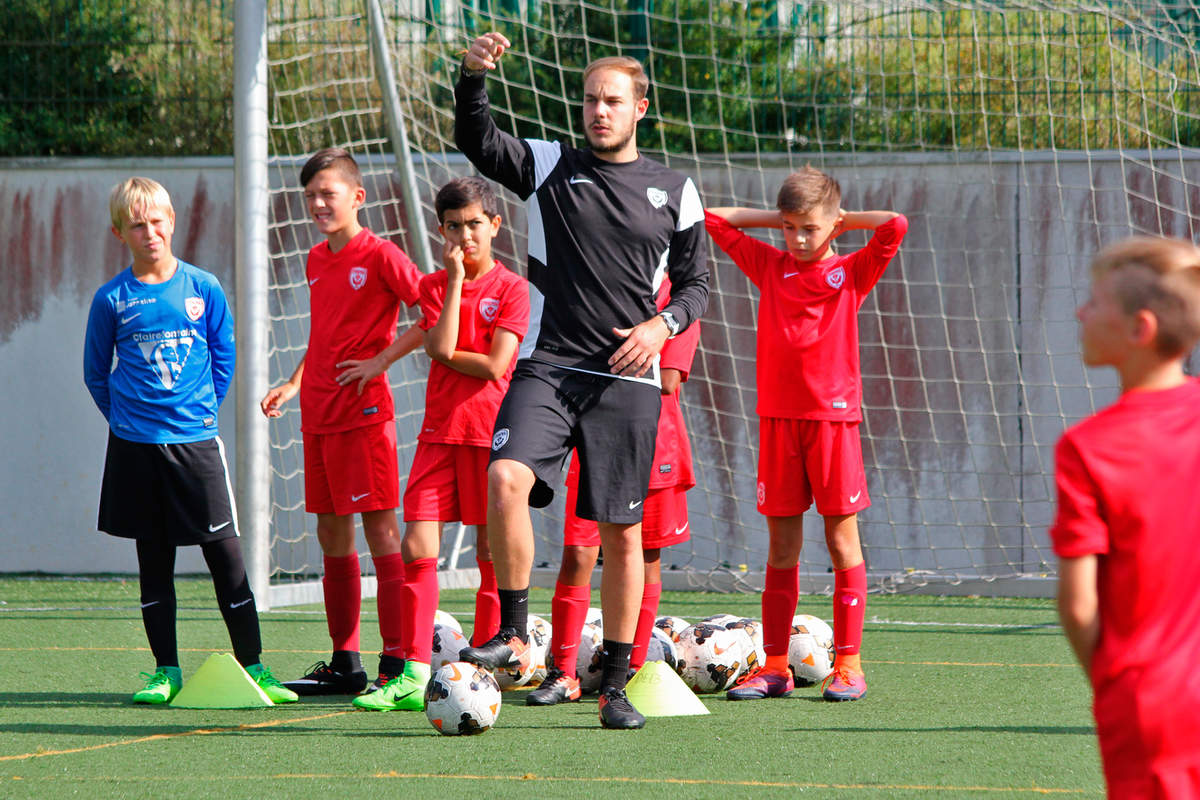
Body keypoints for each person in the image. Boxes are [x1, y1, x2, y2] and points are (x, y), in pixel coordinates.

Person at [452, 33, 709, 729]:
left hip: (629, 381)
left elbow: (696, 283)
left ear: (640, 109)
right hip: (550, 366)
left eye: (613, 101)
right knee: (505, 478)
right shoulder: (546, 165)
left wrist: (662, 328)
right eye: (592, 99)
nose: (599, 110)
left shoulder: (676, 189)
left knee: (619, 535)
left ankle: (616, 686)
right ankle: (513, 630)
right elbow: (478, 139)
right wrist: (473, 76)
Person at [84, 177, 297, 705]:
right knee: (153, 563)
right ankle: (166, 672)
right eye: (137, 224)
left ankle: (256, 668)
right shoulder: (111, 299)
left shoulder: (204, 288)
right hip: (135, 449)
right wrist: (129, 422)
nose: (149, 232)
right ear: (120, 232)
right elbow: (95, 373)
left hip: (196, 445)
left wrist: (198, 413)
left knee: (226, 559)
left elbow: (222, 361)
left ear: (172, 222)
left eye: (157, 221)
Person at [705, 165, 906, 702]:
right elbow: (712, 219)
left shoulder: (851, 272)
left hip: (833, 424)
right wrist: (782, 217)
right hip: (777, 423)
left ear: (832, 227)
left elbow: (895, 226)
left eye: (808, 228)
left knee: (842, 541)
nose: (796, 237)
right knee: (781, 547)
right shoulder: (771, 265)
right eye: (789, 227)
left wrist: (838, 220)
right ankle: (774, 667)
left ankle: (849, 665)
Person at [354, 177, 529, 711]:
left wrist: (447, 350)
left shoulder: (512, 289)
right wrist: (453, 284)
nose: (465, 235)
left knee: (488, 554)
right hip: (438, 435)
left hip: (488, 435)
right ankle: (412, 671)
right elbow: (440, 346)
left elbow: (496, 363)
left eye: (475, 224)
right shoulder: (435, 286)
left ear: (495, 226)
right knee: (416, 549)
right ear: (441, 230)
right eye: (454, 226)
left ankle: (483, 664)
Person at [259, 148, 423, 698]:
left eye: (328, 193)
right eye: (310, 195)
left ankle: (398, 662)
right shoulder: (314, 258)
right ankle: (345, 661)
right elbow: (323, 335)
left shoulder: (380, 255)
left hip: (365, 416)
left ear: (358, 196)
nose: (317, 204)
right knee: (331, 532)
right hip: (319, 414)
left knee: (381, 530)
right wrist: (294, 381)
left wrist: (381, 361)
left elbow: (432, 311)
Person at [1051, 236, 1200, 798]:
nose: (1079, 312)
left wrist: (1116, 684)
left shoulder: (1089, 447)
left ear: (1140, 329)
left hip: (1149, 704)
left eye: (1094, 302)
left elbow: (1078, 603)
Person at [527, 280, 701, 705]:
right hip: (595, 437)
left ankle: (630, 670)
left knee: (646, 556)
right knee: (578, 553)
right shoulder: (602, 283)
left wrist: (633, 343)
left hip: (656, 445)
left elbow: (669, 379)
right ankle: (563, 672)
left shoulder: (678, 302)